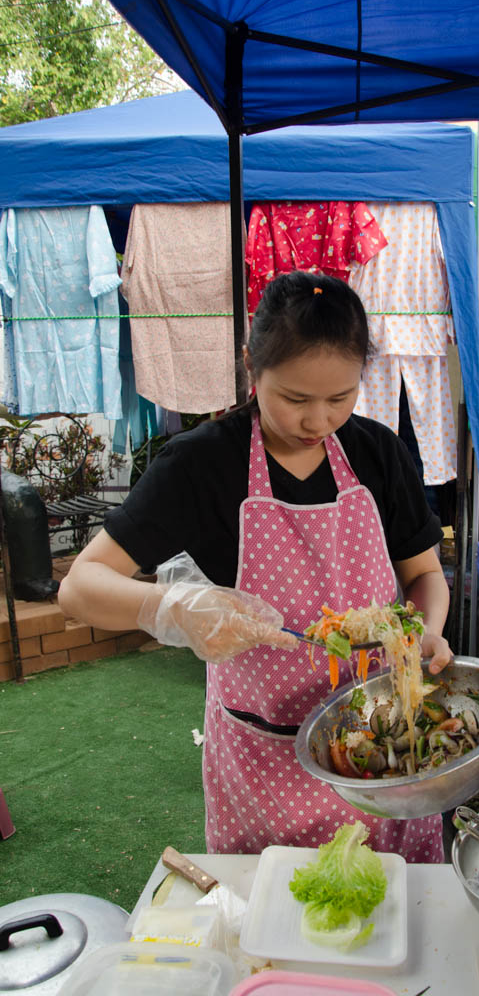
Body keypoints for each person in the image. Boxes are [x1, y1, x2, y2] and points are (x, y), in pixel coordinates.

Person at [59, 271, 453, 862]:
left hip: (381, 746)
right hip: (264, 757)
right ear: (251, 366)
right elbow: (79, 587)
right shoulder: (200, 465)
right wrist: (169, 606)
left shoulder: (377, 451)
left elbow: (425, 576)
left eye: (341, 398)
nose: (319, 421)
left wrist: (424, 631)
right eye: (295, 399)